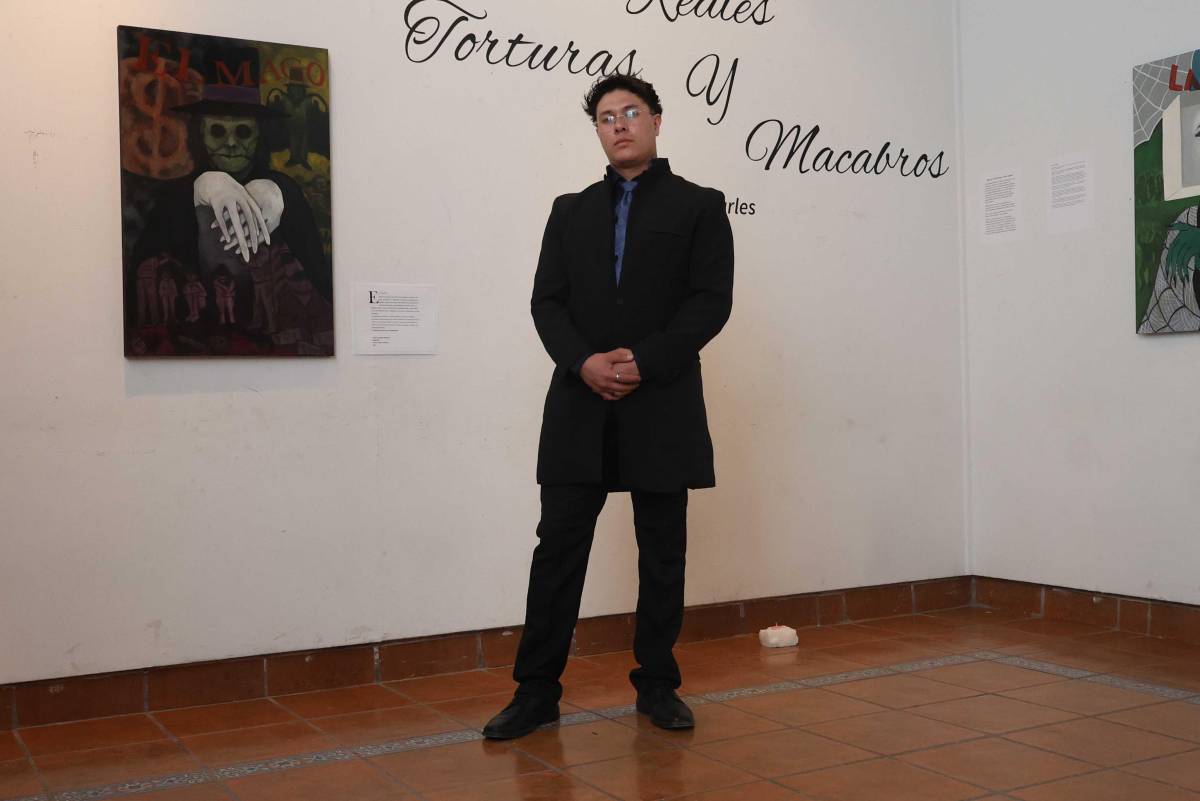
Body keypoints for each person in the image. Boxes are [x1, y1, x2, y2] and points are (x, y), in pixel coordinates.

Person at [483, 74, 734, 739]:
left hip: (663, 398)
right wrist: (584, 362)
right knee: (558, 548)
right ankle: (535, 691)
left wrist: (645, 360)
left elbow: (710, 301)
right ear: (597, 130)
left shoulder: (700, 205)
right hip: (580, 401)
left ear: (656, 121)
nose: (618, 124)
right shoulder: (570, 210)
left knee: (662, 548)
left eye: (630, 112)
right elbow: (547, 302)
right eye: (605, 116)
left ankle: (658, 685)